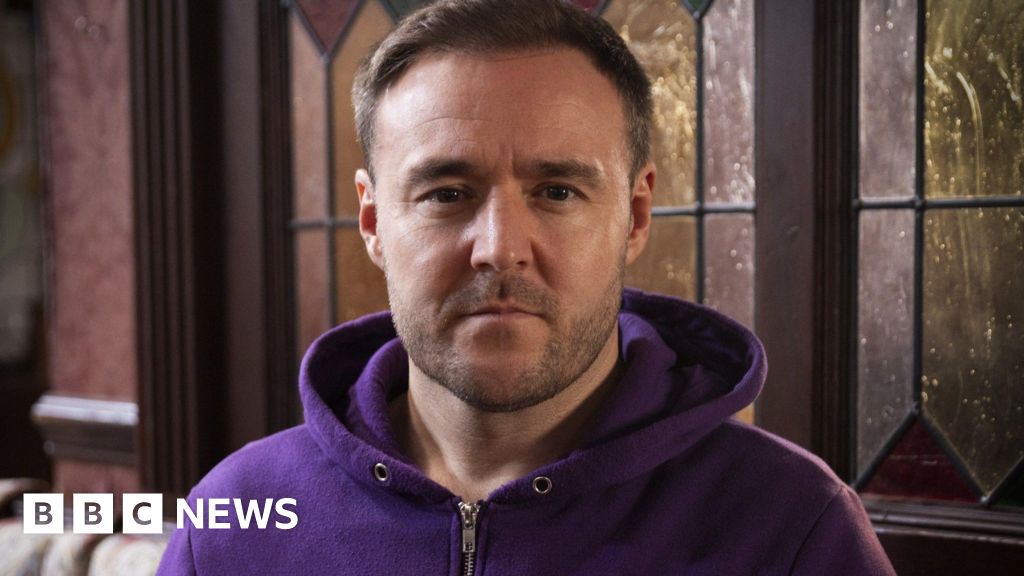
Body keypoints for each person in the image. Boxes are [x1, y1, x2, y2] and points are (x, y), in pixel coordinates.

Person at [158, 0, 895, 573]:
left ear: (636, 215)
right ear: (375, 221)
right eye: (447, 194)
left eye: (557, 192)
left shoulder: (790, 526)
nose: (500, 249)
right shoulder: (235, 517)